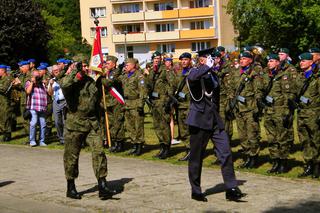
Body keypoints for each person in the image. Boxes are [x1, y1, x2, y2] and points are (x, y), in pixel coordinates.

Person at [186, 49, 245, 202]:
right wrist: (206, 67)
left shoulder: (212, 74)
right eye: (210, 57)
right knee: (196, 158)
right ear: (202, 60)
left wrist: (211, 69)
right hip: (199, 121)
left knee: (225, 153)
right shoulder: (195, 71)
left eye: (214, 57)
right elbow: (192, 78)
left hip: (214, 120)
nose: (214, 60)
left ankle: (231, 188)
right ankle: (196, 190)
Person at [59, 62, 116, 200]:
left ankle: (102, 184)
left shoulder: (91, 81)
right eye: (83, 66)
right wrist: (74, 72)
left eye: (86, 65)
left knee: (99, 153)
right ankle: (70, 186)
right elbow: (64, 85)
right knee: (71, 157)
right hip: (75, 124)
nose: (86, 68)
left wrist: (103, 77)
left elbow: (105, 89)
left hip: (92, 123)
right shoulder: (69, 80)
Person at [262, 54, 298, 174]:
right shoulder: (266, 75)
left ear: (278, 62)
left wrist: (287, 111)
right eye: (268, 61)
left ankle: (283, 163)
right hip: (268, 111)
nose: (269, 63)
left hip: (280, 111)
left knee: (282, 138)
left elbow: (289, 95)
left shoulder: (283, 76)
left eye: (272, 61)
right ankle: (275, 162)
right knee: (272, 139)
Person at [229, 52, 264, 169]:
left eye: (244, 59)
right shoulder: (236, 72)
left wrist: (257, 107)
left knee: (252, 134)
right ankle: (247, 156)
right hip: (239, 109)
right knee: (242, 135)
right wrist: (231, 101)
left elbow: (258, 91)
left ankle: (254, 157)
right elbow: (231, 88)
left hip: (250, 108)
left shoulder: (254, 73)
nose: (241, 60)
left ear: (250, 60)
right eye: (240, 58)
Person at [146, 52, 175, 159]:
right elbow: (149, 85)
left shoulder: (165, 70)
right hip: (154, 102)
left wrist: (169, 100)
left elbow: (172, 84)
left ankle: (167, 148)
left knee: (164, 125)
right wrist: (150, 73)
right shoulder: (152, 71)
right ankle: (162, 147)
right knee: (157, 126)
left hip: (163, 101)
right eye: (155, 58)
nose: (156, 60)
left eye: (158, 58)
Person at [296, 53, 320, 178]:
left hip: (313, 113)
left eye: (304, 61)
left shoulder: (317, 77)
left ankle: (317, 165)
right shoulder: (299, 77)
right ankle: (309, 164)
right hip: (301, 113)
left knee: (315, 140)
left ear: (311, 62)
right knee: (304, 140)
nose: (301, 63)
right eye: (300, 61)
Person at [120, 58, 147, 156]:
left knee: (138, 126)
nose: (125, 67)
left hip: (135, 103)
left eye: (127, 65)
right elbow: (116, 81)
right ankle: (134, 145)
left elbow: (143, 91)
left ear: (133, 65)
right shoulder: (125, 76)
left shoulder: (139, 76)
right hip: (127, 103)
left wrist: (141, 104)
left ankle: (139, 146)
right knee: (130, 126)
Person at [101, 56, 125, 152]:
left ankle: (120, 143)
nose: (106, 65)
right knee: (111, 124)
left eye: (108, 63)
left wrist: (102, 77)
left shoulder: (116, 72)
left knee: (118, 123)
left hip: (116, 102)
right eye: (106, 63)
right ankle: (114, 142)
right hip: (108, 102)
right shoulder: (108, 73)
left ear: (114, 64)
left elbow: (108, 83)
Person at [175, 52, 193, 161]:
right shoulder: (179, 73)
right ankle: (188, 149)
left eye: (186, 60)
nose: (183, 62)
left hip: (189, 105)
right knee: (183, 130)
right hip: (180, 105)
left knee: (190, 129)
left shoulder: (193, 72)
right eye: (182, 60)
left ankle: (191, 150)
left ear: (190, 60)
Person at [25, 68, 48, 147]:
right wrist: (32, 82)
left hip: (42, 107)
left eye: (39, 76)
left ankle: (42, 141)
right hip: (33, 107)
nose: (38, 77)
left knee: (43, 124)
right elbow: (28, 91)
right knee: (33, 123)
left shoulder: (42, 84)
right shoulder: (28, 82)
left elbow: (49, 93)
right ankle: (32, 141)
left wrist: (48, 84)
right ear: (32, 76)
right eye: (36, 76)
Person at [47, 65, 67, 145]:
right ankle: (61, 138)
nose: (56, 71)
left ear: (60, 70)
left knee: (65, 121)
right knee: (57, 122)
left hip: (65, 101)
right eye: (54, 70)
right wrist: (51, 85)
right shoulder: (52, 80)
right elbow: (50, 93)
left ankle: (66, 139)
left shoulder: (64, 78)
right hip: (56, 102)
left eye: (57, 69)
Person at [0, 65, 18, 142]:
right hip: (1, 102)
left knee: (6, 119)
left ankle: (7, 135)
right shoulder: (1, 79)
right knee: (1, 119)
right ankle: (4, 133)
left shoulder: (8, 78)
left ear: (3, 70)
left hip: (6, 102)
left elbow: (4, 89)